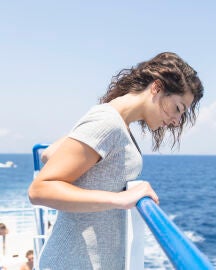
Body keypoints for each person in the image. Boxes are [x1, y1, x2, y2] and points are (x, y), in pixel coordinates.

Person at [28, 52, 204, 269]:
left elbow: (49, 154)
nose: (177, 121)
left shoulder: (114, 120)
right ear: (156, 88)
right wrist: (120, 199)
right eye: (178, 108)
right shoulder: (108, 122)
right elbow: (40, 190)